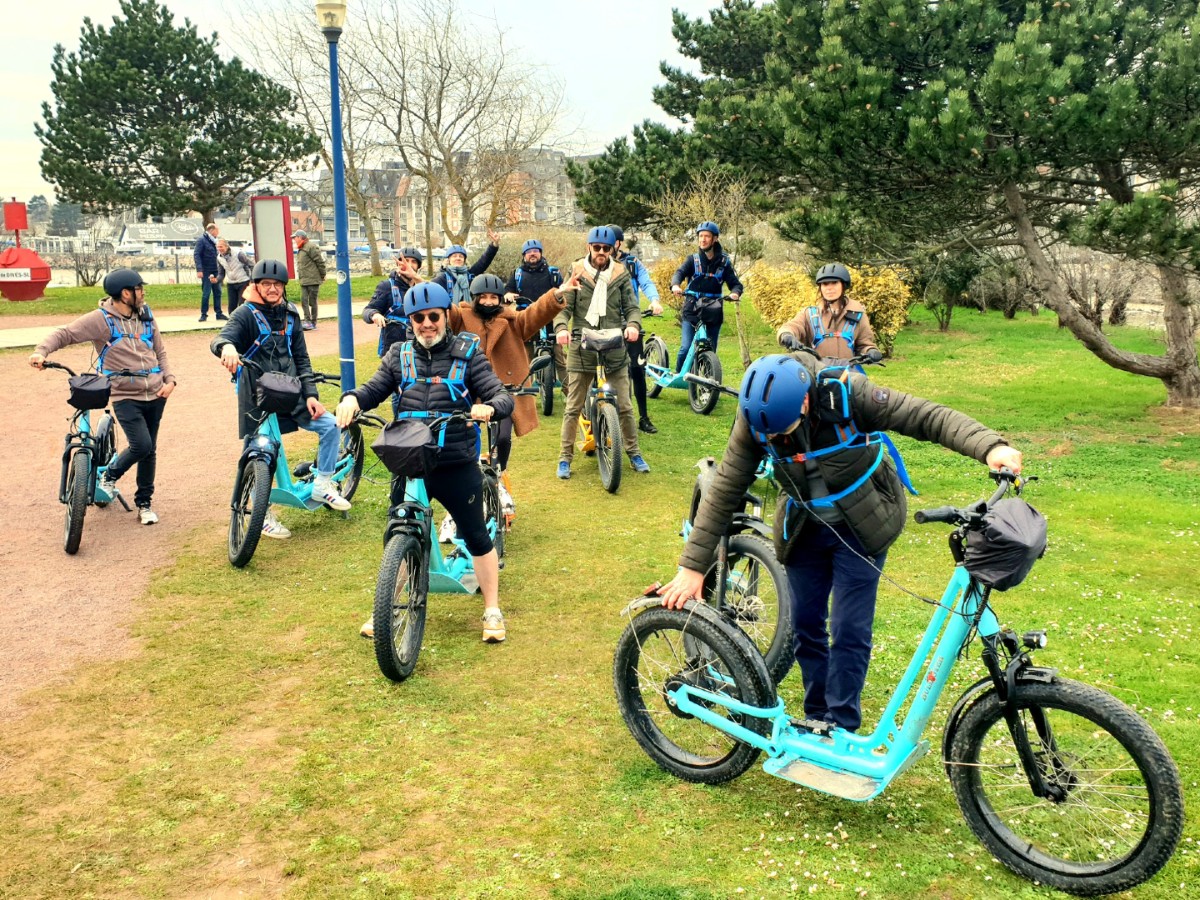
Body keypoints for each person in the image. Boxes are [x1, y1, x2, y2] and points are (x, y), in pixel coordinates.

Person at [659, 353, 1024, 733]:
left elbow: (925, 416)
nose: (775, 441)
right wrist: (692, 568)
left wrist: (990, 447)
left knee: (849, 627)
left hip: (862, 523)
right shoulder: (757, 418)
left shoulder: (849, 394)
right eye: (768, 436)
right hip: (803, 526)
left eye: (783, 432)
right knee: (805, 624)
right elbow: (725, 488)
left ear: (804, 401)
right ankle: (818, 717)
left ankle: (842, 722)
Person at [335, 283, 515, 642]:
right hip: (409, 460)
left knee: (476, 535)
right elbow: (374, 389)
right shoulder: (398, 355)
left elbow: (500, 393)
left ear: (446, 317)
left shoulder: (469, 353)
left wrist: (489, 406)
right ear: (411, 321)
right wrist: (352, 399)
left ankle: (492, 609)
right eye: (419, 318)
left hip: (454, 462)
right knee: (397, 534)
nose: (427, 324)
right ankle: (386, 607)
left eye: (434, 316)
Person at [211, 259, 351, 540]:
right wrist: (227, 347)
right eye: (266, 284)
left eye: (277, 284)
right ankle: (262, 513)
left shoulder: (290, 314)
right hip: (257, 394)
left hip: (290, 389)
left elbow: (301, 356)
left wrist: (311, 394)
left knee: (330, 425)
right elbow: (221, 338)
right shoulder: (244, 315)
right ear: (255, 286)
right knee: (261, 450)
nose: (273, 289)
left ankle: (323, 484)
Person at [29, 268, 176, 525]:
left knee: (149, 450)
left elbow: (160, 352)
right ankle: (108, 476)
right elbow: (64, 334)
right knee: (141, 444)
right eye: (139, 288)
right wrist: (41, 351)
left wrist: (170, 379)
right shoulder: (101, 319)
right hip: (124, 394)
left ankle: (144, 503)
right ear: (125, 293)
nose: (143, 293)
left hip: (156, 392)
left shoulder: (147, 317)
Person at [448, 272, 570, 515]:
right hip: (466, 390)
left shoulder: (513, 320)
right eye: (483, 297)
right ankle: (464, 492)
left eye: (494, 297)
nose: (489, 302)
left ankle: (498, 475)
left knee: (502, 438)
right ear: (474, 298)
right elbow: (438, 306)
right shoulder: (461, 317)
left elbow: (536, 313)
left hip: (503, 392)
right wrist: (415, 280)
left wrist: (556, 294)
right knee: (461, 441)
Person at [554, 226, 650, 479]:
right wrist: (562, 328)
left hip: (614, 347)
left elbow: (631, 307)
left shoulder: (620, 273)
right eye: (596, 248)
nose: (601, 253)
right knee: (573, 407)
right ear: (589, 247)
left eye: (606, 249)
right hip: (581, 347)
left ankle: (634, 453)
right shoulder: (576, 271)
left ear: (612, 249)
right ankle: (565, 459)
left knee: (626, 407)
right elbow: (563, 307)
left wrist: (632, 325)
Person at [608, 224, 664, 434]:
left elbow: (646, 282)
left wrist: (655, 300)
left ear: (618, 243)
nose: (604, 248)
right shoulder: (600, 263)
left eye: (609, 243)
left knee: (637, 369)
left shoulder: (632, 263)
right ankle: (606, 414)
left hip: (631, 322)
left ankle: (643, 417)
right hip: (608, 322)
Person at [670, 221, 743, 372]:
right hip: (692, 309)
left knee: (710, 350)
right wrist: (676, 285)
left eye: (707, 236)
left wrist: (735, 293)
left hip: (713, 310)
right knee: (686, 347)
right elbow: (679, 273)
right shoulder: (693, 260)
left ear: (715, 239)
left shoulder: (724, 262)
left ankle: (706, 382)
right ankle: (679, 374)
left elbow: (735, 284)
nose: (702, 239)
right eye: (700, 236)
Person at [778, 263, 878, 361]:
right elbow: (791, 327)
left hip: (847, 372)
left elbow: (864, 344)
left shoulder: (857, 314)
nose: (829, 288)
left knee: (861, 378)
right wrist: (786, 335)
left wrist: (871, 351)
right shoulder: (810, 314)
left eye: (834, 283)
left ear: (843, 285)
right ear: (820, 287)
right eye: (825, 284)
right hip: (816, 372)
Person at [363, 246, 425, 358]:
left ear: (418, 266)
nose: (408, 265)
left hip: (419, 349)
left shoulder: (423, 287)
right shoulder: (386, 286)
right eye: (404, 261)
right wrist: (374, 314)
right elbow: (367, 310)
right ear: (397, 264)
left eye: (413, 262)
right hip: (392, 352)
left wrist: (417, 278)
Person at [432, 228, 500, 304]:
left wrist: (494, 244)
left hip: (469, 312)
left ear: (464, 260)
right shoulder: (441, 278)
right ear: (448, 260)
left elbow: (484, 261)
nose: (458, 258)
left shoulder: (470, 274)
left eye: (461, 256)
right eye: (454, 256)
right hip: (450, 313)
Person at [292, 230, 326, 330]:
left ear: (300, 237)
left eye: (295, 237)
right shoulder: (301, 248)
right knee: (304, 301)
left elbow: (320, 262)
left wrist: (323, 275)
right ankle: (307, 320)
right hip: (304, 280)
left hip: (313, 280)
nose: (294, 240)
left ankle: (313, 322)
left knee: (312, 302)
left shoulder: (311, 247)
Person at [194, 222, 224, 322]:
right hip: (206, 270)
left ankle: (219, 313)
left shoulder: (216, 241)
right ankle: (204, 314)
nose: (218, 232)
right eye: (217, 230)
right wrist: (199, 270)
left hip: (216, 269)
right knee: (206, 292)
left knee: (218, 292)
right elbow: (197, 254)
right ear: (211, 230)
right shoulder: (202, 240)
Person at [216, 239, 253, 314]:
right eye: (218, 247)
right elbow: (221, 273)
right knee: (231, 306)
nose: (219, 249)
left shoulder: (238, 253)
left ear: (226, 246)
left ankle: (244, 322)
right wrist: (216, 280)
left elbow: (251, 265)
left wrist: (252, 279)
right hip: (231, 283)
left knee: (242, 304)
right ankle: (233, 323)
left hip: (243, 281)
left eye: (221, 247)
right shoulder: (219, 258)